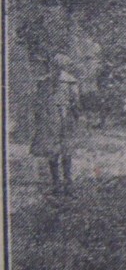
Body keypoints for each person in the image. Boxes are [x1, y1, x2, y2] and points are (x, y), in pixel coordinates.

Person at [30, 54, 81, 195]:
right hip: (52, 118)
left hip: (65, 118)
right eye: (56, 66)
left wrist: (75, 116)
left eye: (61, 66)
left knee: (66, 151)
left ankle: (68, 183)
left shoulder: (70, 81)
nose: (58, 69)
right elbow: (39, 102)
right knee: (54, 152)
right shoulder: (45, 81)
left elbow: (75, 102)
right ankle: (57, 184)